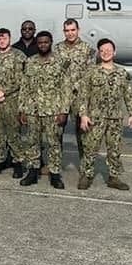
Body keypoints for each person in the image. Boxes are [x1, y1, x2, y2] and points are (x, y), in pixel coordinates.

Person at [78, 38, 132, 190]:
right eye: (102, 50)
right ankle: (87, 175)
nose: (106, 53)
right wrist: (84, 115)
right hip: (95, 118)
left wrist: (131, 114)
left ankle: (114, 177)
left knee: (114, 149)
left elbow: (128, 94)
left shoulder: (122, 73)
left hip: (115, 118)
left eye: (109, 50)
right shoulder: (91, 72)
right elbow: (83, 95)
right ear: (99, 53)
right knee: (90, 148)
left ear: (114, 52)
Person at [19, 31, 68, 189]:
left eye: (46, 42)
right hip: (33, 110)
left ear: (51, 42)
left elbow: (65, 88)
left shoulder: (59, 62)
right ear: (36, 44)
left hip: (53, 110)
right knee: (32, 142)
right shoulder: (30, 61)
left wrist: (64, 111)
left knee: (54, 144)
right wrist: (22, 110)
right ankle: (32, 172)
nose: (43, 45)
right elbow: (24, 87)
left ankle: (55, 174)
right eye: (40, 43)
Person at [0, 27, 28, 178]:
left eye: (4, 38)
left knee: (13, 133)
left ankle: (17, 162)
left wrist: (4, 92)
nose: (2, 41)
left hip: (11, 101)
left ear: (10, 38)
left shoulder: (18, 56)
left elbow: (21, 80)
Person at [56, 18, 96, 162]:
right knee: (56, 132)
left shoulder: (87, 49)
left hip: (80, 97)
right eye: (67, 31)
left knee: (83, 134)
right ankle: (55, 165)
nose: (70, 33)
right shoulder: (57, 49)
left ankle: (85, 166)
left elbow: (91, 74)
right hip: (62, 97)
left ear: (78, 30)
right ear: (64, 32)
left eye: (73, 30)